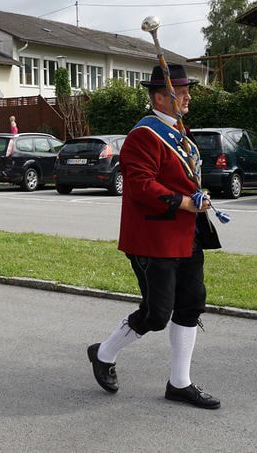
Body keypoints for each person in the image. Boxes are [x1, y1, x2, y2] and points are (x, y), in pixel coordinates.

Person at [87, 63, 222, 409]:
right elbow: (141, 185)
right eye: (181, 93)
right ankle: (103, 354)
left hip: (187, 234)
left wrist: (198, 196)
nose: (188, 97)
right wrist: (183, 202)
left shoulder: (179, 131)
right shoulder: (143, 135)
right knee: (157, 314)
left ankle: (180, 383)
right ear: (160, 98)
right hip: (154, 238)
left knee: (191, 304)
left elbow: (183, 177)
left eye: (187, 91)